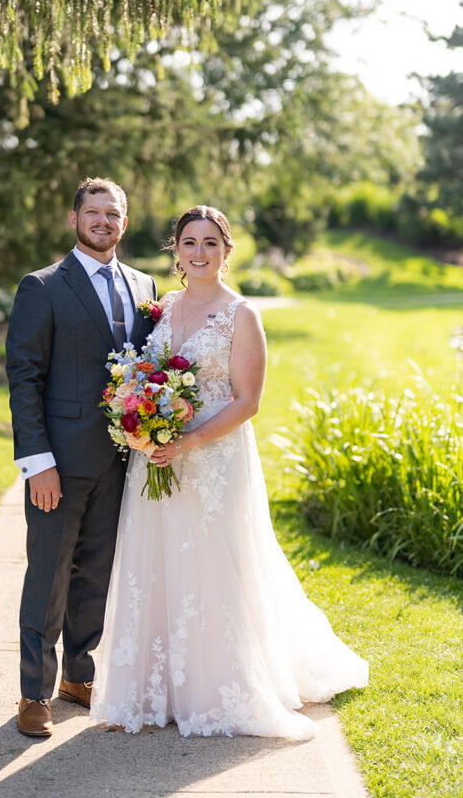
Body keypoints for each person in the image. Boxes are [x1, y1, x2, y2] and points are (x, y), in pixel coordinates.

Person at [90, 205, 368, 739]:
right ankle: (160, 688)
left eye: (210, 243)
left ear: (226, 251)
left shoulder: (242, 315)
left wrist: (188, 440)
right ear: (176, 251)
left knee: (214, 565)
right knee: (159, 562)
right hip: (158, 457)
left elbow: (247, 402)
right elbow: (146, 377)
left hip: (214, 460)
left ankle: (218, 685)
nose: (199, 252)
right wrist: (144, 426)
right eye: (189, 242)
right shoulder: (163, 308)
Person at [5, 177, 157, 738]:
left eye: (112, 213)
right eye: (92, 212)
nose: (102, 221)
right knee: (48, 577)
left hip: (124, 461)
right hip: (60, 464)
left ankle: (78, 674)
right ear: (74, 220)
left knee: (97, 574)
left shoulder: (145, 286)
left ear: (124, 221)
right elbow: (25, 377)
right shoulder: (42, 287)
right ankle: (33, 693)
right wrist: (36, 462)